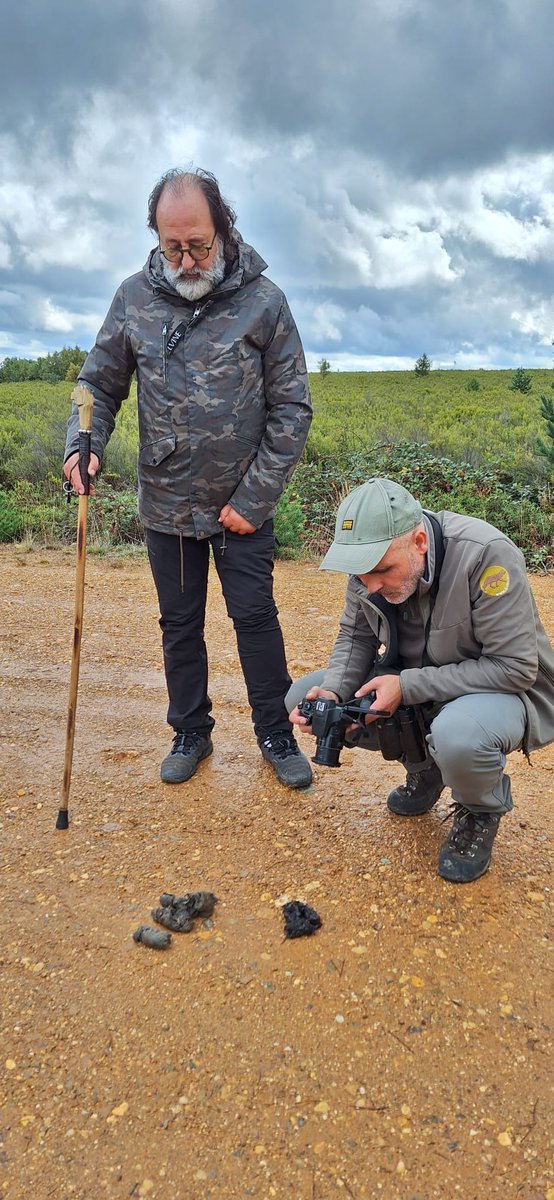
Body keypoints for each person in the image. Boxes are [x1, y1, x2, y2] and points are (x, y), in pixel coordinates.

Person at [64, 167, 313, 789]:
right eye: (173, 246)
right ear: (156, 235)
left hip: (242, 506)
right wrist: (83, 443)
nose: (186, 258)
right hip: (168, 503)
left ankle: (277, 735)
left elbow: (292, 406)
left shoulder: (265, 300)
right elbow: (98, 383)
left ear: (223, 229)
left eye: (198, 244)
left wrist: (255, 499)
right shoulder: (133, 298)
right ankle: (190, 733)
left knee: (255, 620)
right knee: (179, 625)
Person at [289, 477, 554, 882]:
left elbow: (515, 667)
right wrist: (333, 693)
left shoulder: (486, 555)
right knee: (305, 699)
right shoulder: (368, 568)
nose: (370, 585)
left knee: (459, 734)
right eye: (361, 575)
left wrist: (408, 686)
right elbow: (355, 636)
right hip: (416, 681)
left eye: (382, 571)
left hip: (498, 689)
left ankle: (479, 810)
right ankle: (425, 768)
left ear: (419, 542)